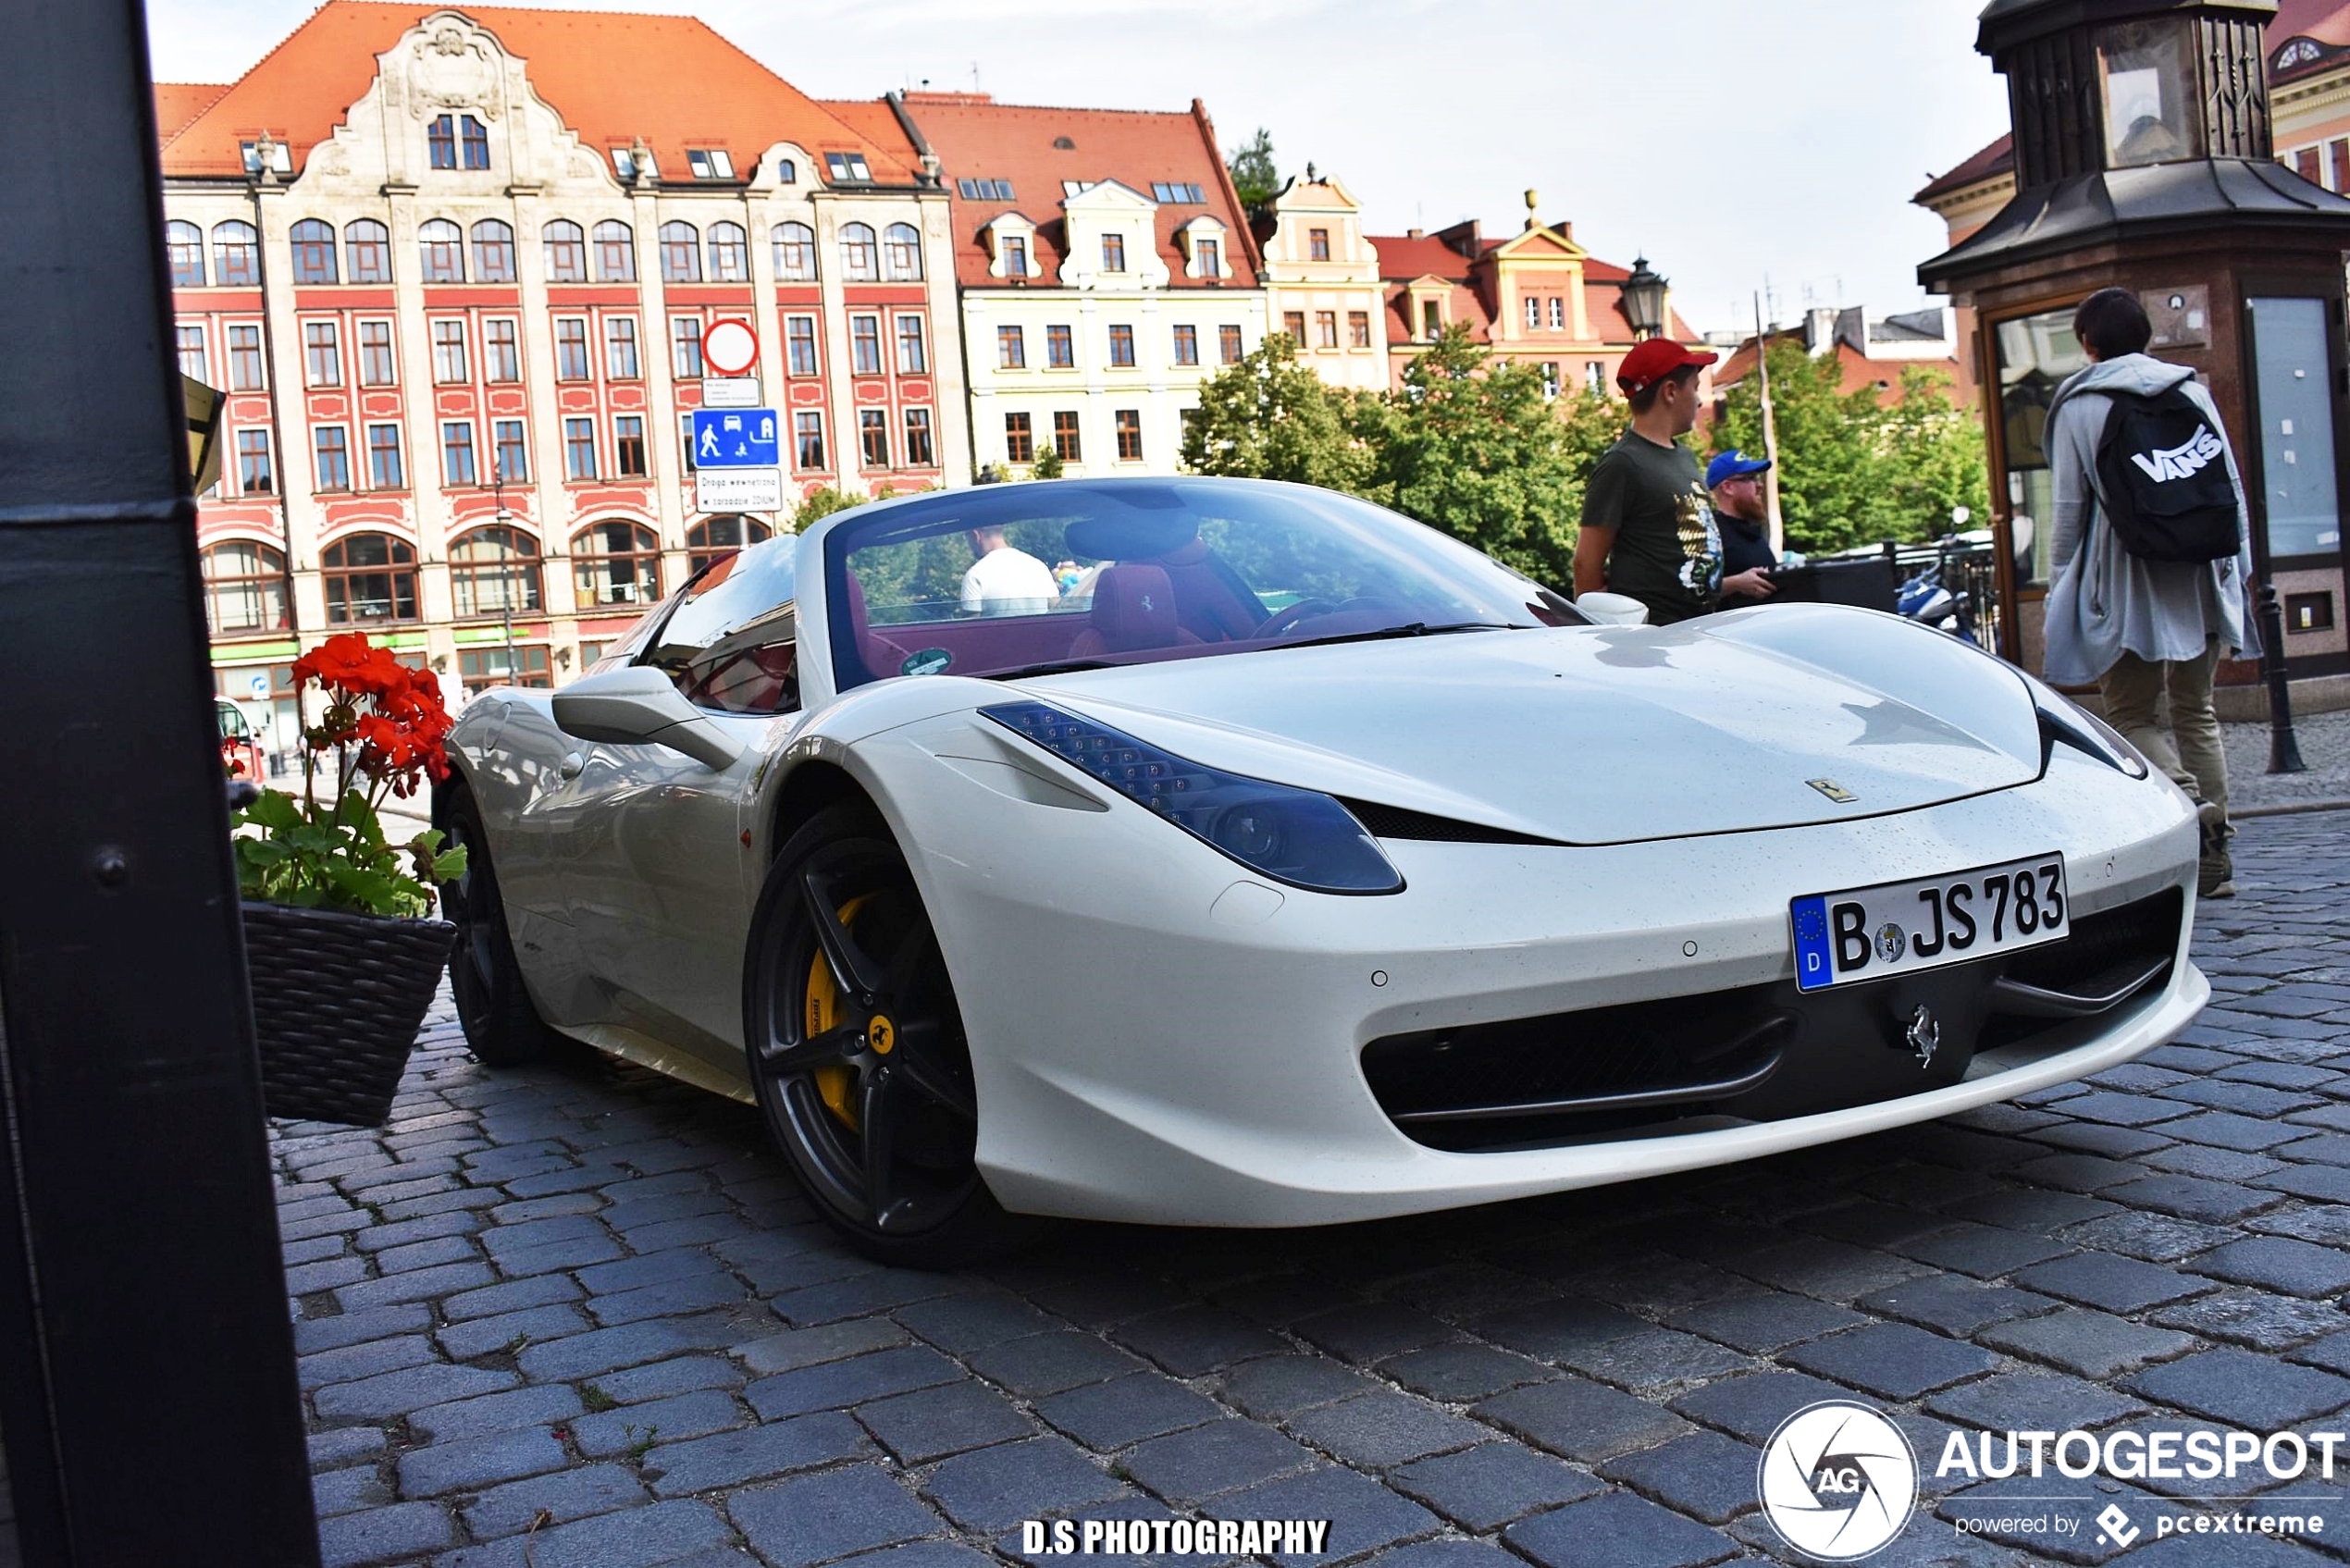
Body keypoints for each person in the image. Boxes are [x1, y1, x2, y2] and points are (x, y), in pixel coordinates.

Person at [2043, 286, 2257, 897]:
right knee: (2198, 711)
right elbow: (2230, 486)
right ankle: (2218, 859)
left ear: (2088, 343)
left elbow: (2068, 515)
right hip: (2198, 569)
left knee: (2132, 713)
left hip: (2125, 577)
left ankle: (2190, 809)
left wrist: (2064, 597)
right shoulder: (2191, 390)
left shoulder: (2079, 404)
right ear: (2147, 336)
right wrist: (2233, 573)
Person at [1575, 339, 1774, 624]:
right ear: (1670, 392)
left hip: (1697, 625)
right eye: (1694, 388)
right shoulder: (1623, 463)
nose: (1700, 399)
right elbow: (1586, 564)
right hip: (1656, 633)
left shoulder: (1684, 457)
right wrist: (1602, 629)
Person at [1705, 449, 1781, 611]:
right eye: (1751, 478)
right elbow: (1690, 590)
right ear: (1728, 487)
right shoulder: (1711, 533)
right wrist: (1736, 583)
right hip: (1726, 632)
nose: (1759, 485)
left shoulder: (1752, 530)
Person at [959, 525, 1059, 616]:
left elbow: (970, 628)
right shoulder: (1038, 566)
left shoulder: (975, 574)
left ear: (975, 535)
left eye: (966, 536)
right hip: (1042, 635)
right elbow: (1056, 608)